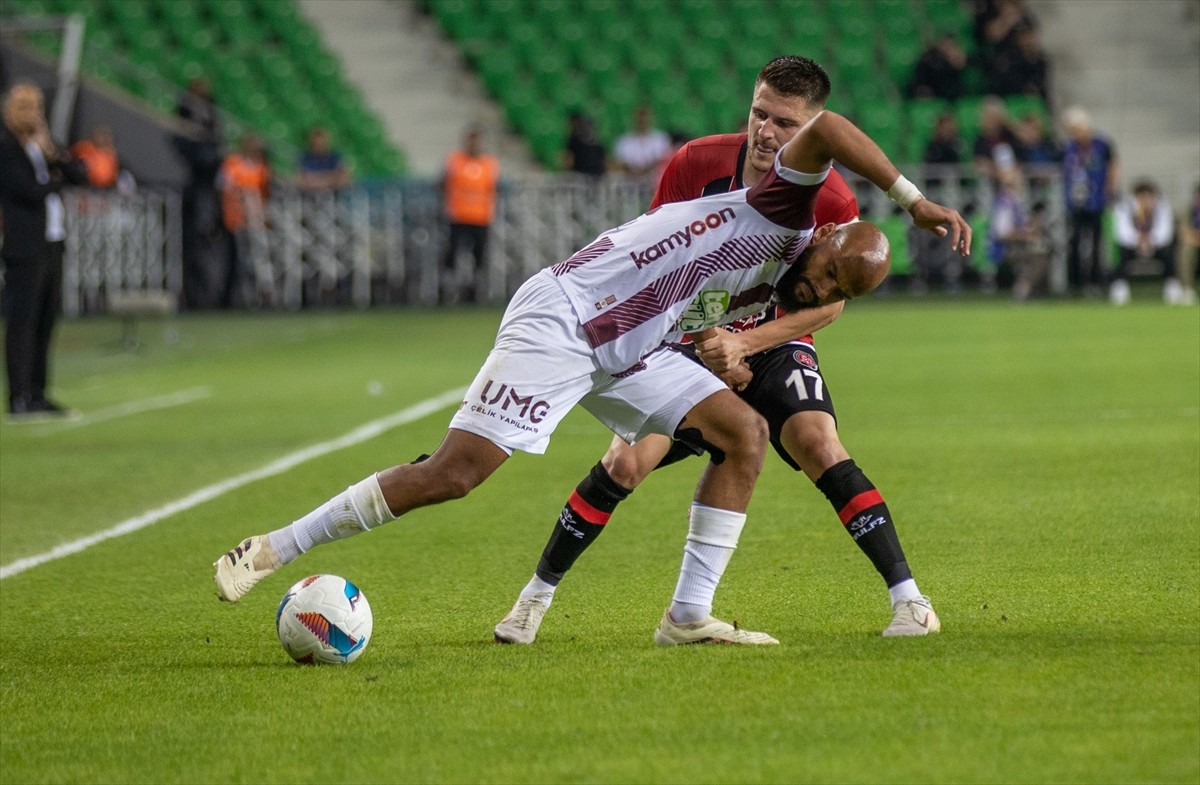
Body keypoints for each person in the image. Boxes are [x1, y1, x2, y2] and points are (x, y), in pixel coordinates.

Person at [213, 104, 971, 650]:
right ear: (828, 233)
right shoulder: (786, 206)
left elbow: (763, 303)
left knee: (743, 434)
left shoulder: (794, 281)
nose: (820, 286)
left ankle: (687, 616)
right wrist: (914, 201)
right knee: (454, 474)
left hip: (634, 344)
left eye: (838, 289)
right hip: (567, 319)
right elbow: (829, 127)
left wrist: (726, 343)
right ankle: (274, 547)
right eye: (829, 268)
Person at [492, 56, 953, 646]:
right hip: (689, 335)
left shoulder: (830, 197)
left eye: (786, 124)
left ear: (810, 129)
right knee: (626, 462)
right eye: (760, 114)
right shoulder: (696, 162)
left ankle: (910, 601)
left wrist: (745, 342)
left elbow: (829, 301)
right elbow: (656, 267)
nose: (767, 132)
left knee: (818, 441)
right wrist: (708, 342)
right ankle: (532, 600)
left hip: (774, 334)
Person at [0, 82, 87, 421]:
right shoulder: (8, 148)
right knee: (22, 321)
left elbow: (80, 174)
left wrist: (52, 155)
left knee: (46, 320)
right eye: (25, 107)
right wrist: (55, 180)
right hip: (24, 245)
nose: (33, 114)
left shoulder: (44, 144)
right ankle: (19, 395)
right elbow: (29, 192)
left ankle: (38, 392)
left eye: (36, 107)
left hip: (52, 241)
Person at [172, 77, 225, 310]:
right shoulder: (186, 116)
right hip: (199, 191)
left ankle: (209, 293)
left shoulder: (211, 115)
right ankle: (197, 295)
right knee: (196, 241)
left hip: (208, 190)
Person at [1061, 106, 1118, 297]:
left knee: (1096, 243)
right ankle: (1075, 283)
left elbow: (1113, 167)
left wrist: (1110, 191)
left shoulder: (1102, 145)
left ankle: (1095, 282)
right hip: (1075, 202)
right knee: (1074, 241)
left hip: (1096, 200)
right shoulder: (1069, 147)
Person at [440, 125, 500, 303]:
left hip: (480, 217)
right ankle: (449, 291)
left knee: (479, 256)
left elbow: (494, 188)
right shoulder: (455, 161)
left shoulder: (489, 163)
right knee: (452, 254)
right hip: (458, 216)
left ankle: (476, 292)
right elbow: (443, 184)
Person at [217, 133, 271, 308]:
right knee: (241, 258)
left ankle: (264, 294)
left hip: (256, 218)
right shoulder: (233, 163)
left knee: (260, 256)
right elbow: (224, 185)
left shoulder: (262, 165)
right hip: (237, 218)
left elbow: (265, 191)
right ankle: (243, 297)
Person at [1110, 180, 1179, 305]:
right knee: (1121, 252)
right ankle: (1120, 286)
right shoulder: (1124, 208)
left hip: (1155, 246)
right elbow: (1121, 232)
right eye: (1142, 197)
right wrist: (1138, 240)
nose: (1146, 201)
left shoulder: (1163, 208)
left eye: (1149, 197)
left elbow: (1166, 233)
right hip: (1133, 246)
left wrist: (1150, 241)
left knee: (1167, 251)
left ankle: (1171, 284)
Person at [987, 161, 1049, 301]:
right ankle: (1022, 290)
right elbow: (1002, 233)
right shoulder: (1005, 203)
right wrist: (1026, 235)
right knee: (1039, 257)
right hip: (1003, 248)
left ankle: (1028, 290)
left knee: (1041, 250)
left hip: (1014, 246)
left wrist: (1032, 227)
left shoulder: (1014, 201)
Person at [612, 104, 672, 179]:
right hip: (629, 180)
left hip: (654, 179)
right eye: (639, 117)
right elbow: (616, 164)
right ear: (633, 119)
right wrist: (632, 170)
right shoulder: (623, 141)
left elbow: (665, 162)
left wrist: (647, 170)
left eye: (645, 117)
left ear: (651, 118)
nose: (642, 120)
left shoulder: (661, 139)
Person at [70, 125, 134, 193]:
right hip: (81, 186)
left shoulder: (113, 156)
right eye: (101, 134)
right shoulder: (84, 148)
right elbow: (70, 158)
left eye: (107, 135)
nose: (104, 138)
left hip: (105, 190)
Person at [907, 34, 969, 102]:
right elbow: (921, 80)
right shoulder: (929, 61)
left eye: (950, 45)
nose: (947, 48)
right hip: (932, 95)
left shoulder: (957, 62)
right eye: (944, 44)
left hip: (952, 96)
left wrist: (957, 61)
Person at [296, 126, 350, 192]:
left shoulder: (335, 157)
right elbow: (300, 181)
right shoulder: (304, 158)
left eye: (321, 143)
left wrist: (314, 181)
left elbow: (343, 179)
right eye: (316, 144)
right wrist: (330, 179)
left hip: (333, 193)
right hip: (310, 194)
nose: (319, 146)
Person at [561, 111, 607, 179]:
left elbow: (569, 161)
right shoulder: (575, 141)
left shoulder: (598, 145)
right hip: (587, 176)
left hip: (587, 177)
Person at [1176, 184, 1200, 306]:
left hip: (1194, 240)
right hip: (1193, 245)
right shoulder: (1187, 211)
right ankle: (1187, 290)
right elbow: (1184, 235)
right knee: (1185, 251)